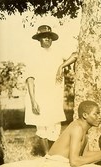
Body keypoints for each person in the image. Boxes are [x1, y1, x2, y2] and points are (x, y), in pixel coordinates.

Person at [25, 25, 66, 156]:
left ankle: (55, 154)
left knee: (55, 126)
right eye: (43, 37)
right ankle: (47, 155)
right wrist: (33, 101)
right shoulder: (33, 56)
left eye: (49, 36)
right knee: (42, 126)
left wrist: (62, 66)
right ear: (39, 39)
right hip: (41, 96)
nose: (47, 39)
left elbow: (75, 55)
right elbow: (30, 79)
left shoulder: (58, 53)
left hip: (54, 96)